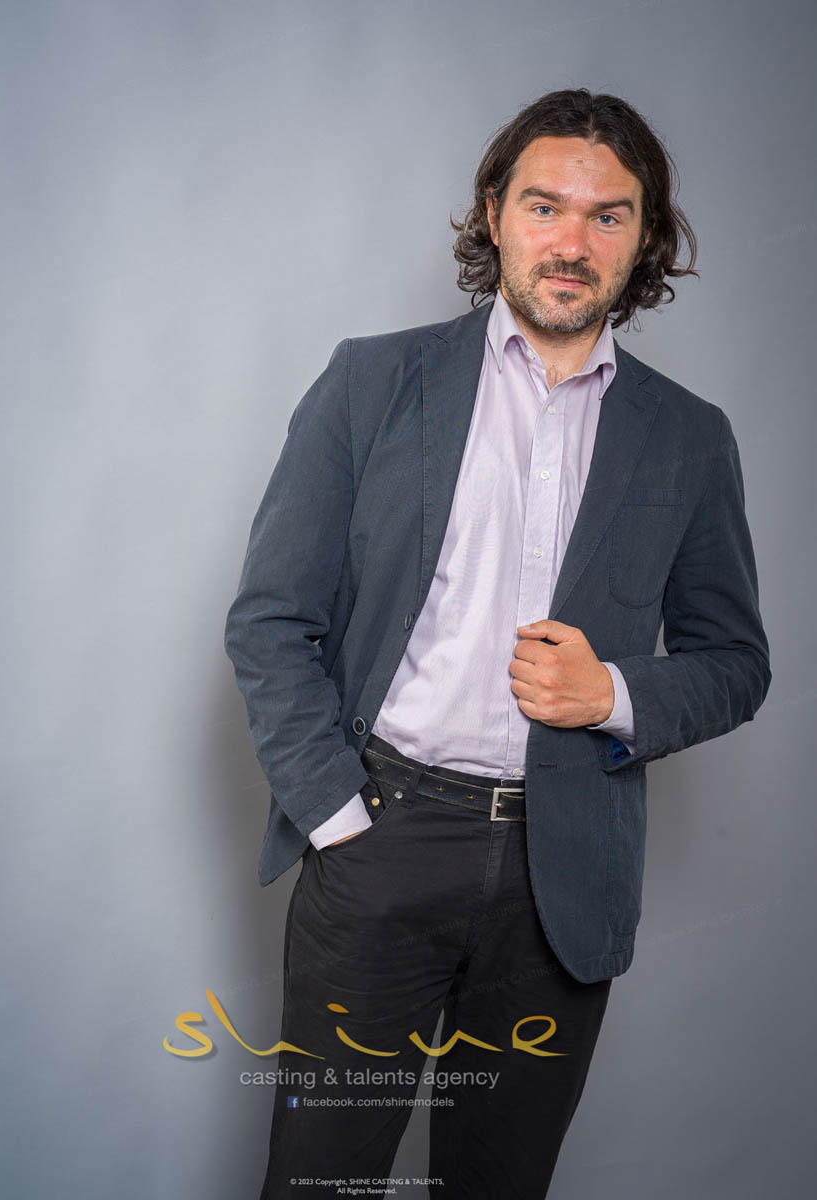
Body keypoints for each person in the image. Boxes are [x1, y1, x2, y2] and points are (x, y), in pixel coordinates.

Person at [223, 87, 770, 1199]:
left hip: (560, 875)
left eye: (608, 215)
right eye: (543, 205)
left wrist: (612, 694)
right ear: (493, 213)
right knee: (319, 1182)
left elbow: (734, 663)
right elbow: (271, 618)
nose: (571, 242)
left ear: (645, 238)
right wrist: (335, 816)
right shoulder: (373, 383)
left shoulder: (687, 438)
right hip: (380, 840)